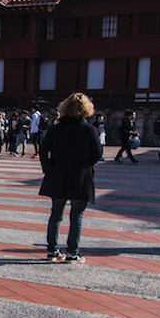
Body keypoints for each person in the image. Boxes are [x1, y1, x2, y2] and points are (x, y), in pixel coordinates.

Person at [39, 93, 103, 263]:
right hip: (80, 176)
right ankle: (72, 252)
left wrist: (48, 169)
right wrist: (86, 164)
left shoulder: (55, 129)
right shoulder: (90, 130)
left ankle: (52, 250)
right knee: (77, 215)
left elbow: (43, 151)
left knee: (56, 214)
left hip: (58, 174)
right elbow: (97, 154)